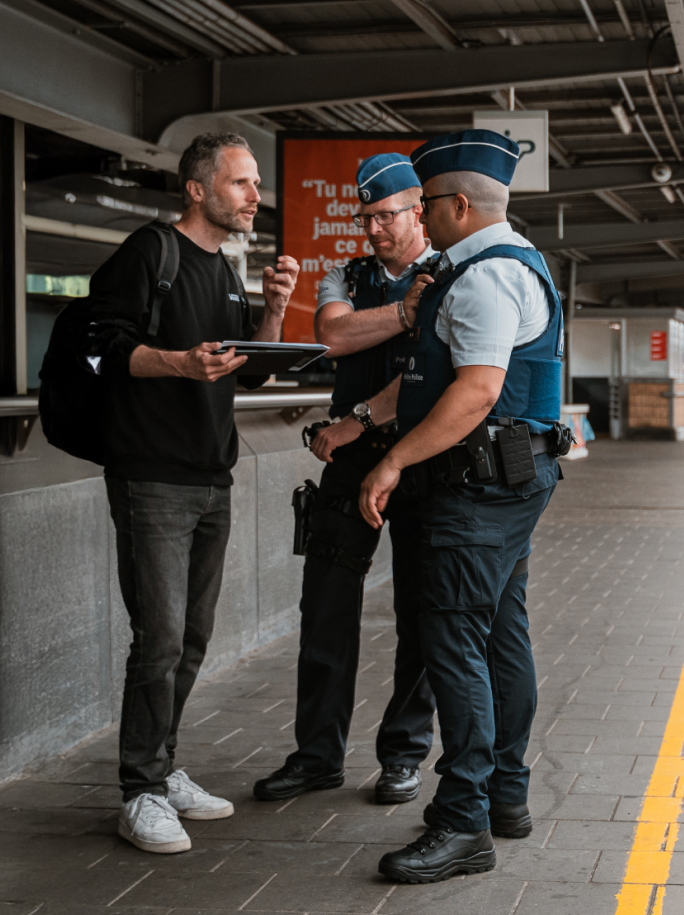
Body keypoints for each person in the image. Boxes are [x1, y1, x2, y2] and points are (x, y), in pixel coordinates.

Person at [357, 130, 569, 884]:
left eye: (424, 203)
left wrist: (392, 459)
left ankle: (462, 819)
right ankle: (505, 794)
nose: (419, 213)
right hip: (509, 486)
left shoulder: (483, 279)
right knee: (503, 636)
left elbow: (475, 392)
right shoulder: (505, 267)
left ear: (454, 204)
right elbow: (429, 379)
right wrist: (366, 422)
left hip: (474, 493)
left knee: (455, 645)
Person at [87, 132, 299, 854]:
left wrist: (273, 309)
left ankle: (163, 766)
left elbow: (254, 371)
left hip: (213, 479)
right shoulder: (152, 253)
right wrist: (177, 361)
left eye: (256, 184)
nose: (254, 196)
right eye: (242, 183)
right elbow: (103, 346)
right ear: (198, 189)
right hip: (152, 478)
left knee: (193, 637)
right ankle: (139, 790)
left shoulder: (229, 271)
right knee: (162, 637)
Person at [254, 154, 440, 806]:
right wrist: (404, 315)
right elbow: (332, 335)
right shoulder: (346, 275)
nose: (375, 229)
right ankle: (316, 755)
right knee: (326, 608)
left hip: (420, 459)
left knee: (422, 612)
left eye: (387, 215)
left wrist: (360, 419)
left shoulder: (448, 272)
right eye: (366, 218)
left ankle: (403, 754)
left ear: (418, 209)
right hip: (347, 466)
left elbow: (432, 372)